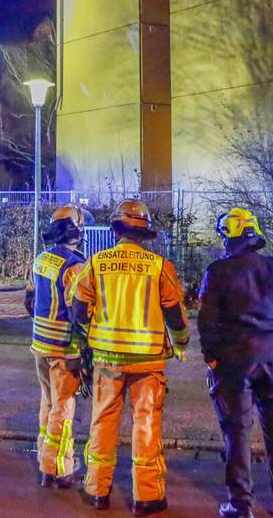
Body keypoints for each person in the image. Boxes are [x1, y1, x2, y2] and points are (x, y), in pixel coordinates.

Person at [71, 199, 189, 516]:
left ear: (116, 230)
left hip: (107, 360)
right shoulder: (159, 267)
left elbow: (79, 311)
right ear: (145, 233)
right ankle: (146, 497)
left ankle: (97, 490)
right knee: (146, 426)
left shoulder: (96, 263)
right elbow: (175, 314)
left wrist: (91, 332)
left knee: (102, 423)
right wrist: (181, 342)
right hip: (147, 364)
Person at [198, 208, 273, 518]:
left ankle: (241, 505)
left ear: (229, 236)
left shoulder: (217, 271)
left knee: (237, 431)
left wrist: (212, 358)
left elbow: (207, 321)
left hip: (234, 360)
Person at [29, 205, 91, 488]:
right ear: (76, 231)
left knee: (48, 402)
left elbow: (28, 302)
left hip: (39, 344)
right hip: (64, 349)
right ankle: (58, 468)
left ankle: (45, 457)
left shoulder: (41, 259)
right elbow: (79, 311)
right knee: (64, 408)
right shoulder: (75, 265)